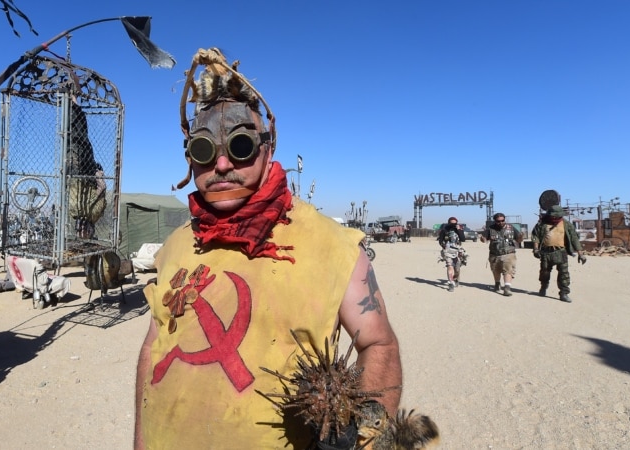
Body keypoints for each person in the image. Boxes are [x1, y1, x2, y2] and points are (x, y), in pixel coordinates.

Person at [134, 48, 402, 449]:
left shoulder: (332, 245)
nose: (221, 164)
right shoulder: (178, 244)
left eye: (240, 146)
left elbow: (378, 344)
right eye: (204, 150)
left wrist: (361, 435)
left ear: (268, 148)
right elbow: (152, 349)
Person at [531, 205, 587, 303]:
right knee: (544, 272)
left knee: (564, 274)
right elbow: (536, 236)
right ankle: (543, 287)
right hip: (546, 252)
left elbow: (574, 238)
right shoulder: (542, 223)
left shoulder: (566, 224)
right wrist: (536, 249)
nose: (555, 218)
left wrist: (580, 254)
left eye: (557, 216)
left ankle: (564, 293)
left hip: (561, 252)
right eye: (553, 216)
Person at [479, 213, 523, 296]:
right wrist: (482, 239)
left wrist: (521, 237)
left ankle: (507, 288)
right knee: (496, 270)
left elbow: (518, 240)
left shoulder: (511, 228)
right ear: (495, 221)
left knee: (508, 270)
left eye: (502, 220)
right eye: (498, 221)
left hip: (508, 253)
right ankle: (497, 283)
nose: (501, 222)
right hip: (494, 254)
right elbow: (484, 239)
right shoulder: (490, 229)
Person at [437, 217, 466, 292]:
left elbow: (463, 239)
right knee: (450, 266)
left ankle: (456, 279)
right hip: (448, 251)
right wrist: (444, 246)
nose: (453, 224)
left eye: (455, 223)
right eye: (451, 223)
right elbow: (440, 240)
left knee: (457, 269)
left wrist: (459, 230)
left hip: (457, 252)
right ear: (448, 223)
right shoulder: (445, 230)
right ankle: (451, 283)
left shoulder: (459, 229)